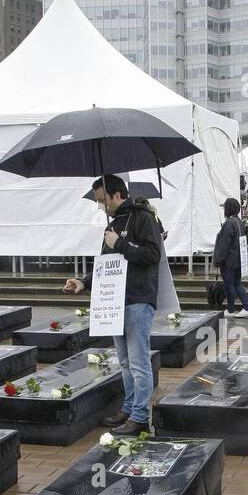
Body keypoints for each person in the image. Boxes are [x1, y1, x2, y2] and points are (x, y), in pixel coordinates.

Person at [64, 175, 163, 435]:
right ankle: (129, 408)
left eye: (102, 200)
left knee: (139, 361)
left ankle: (141, 417)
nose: (100, 206)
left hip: (138, 300)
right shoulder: (113, 225)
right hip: (115, 302)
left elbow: (153, 255)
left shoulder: (144, 218)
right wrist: (84, 282)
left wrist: (120, 243)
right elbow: (106, 265)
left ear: (117, 195)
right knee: (125, 361)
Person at [214, 197, 248, 318]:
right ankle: (239, 308)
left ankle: (238, 308)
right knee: (236, 284)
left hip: (229, 261)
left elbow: (224, 244)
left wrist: (218, 259)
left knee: (230, 285)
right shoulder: (238, 221)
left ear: (228, 208)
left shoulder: (229, 223)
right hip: (238, 259)